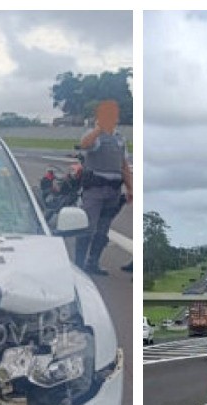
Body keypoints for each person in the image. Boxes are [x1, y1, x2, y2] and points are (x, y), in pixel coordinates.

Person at [75, 100, 133, 276]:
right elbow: (84, 144)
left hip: (113, 191)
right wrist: (99, 129)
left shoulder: (119, 139)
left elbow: (124, 166)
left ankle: (93, 262)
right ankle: (78, 265)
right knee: (87, 228)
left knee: (103, 231)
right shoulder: (95, 136)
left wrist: (130, 188)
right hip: (95, 190)